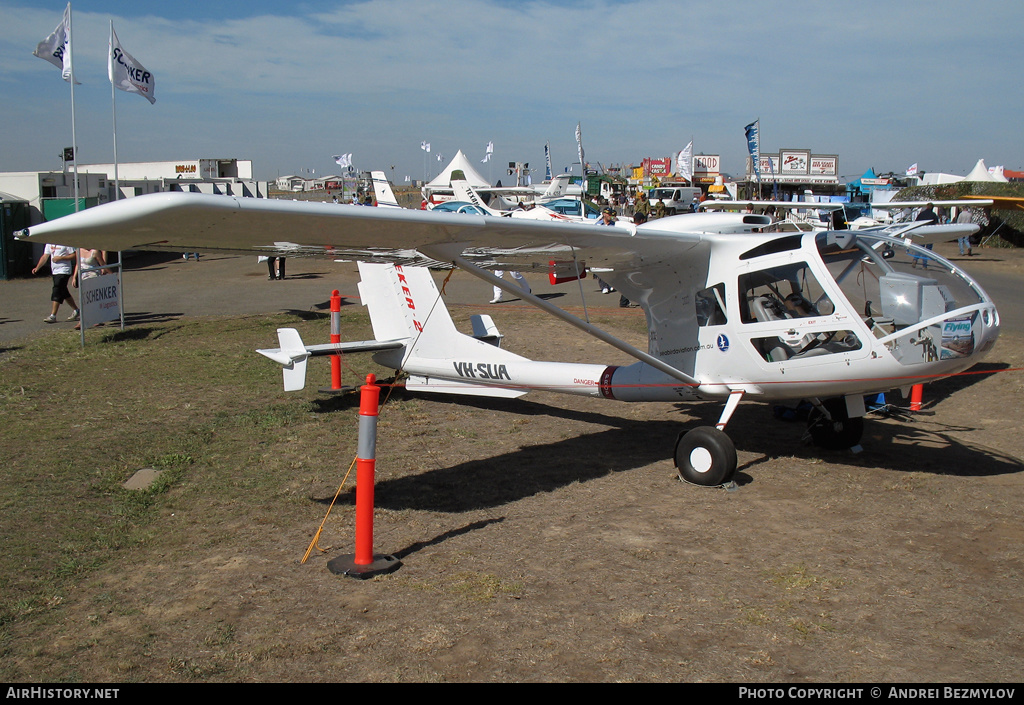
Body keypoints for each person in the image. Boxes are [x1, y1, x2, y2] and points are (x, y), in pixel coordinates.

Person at [32, 243, 79, 323]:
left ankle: (53, 315)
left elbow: (74, 255)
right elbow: (45, 256)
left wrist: (61, 258)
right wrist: (37, 268)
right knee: (63, 291)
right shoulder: (49, 243)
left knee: (57, 289)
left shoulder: (64, 242)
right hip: (55, 271)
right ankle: (76, 310)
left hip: (64, 270)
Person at [595, 207, 617, 294]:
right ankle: (604, 286)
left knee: (610, 268)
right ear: (604, 214)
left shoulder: (613, 225)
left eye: (610, 214)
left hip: (610, 249)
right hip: (601, 250)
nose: (609, 216)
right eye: (608, 214)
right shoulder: (598, 225)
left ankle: (610, 284)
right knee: (602, 268)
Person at [912, 203, 938, 269]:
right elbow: (936, 224)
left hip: (922, 232)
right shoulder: (933, 215)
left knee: (920, 248)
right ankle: (924, 264)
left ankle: (915, 259)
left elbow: (916, 222)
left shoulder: (921, 214)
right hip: (930, 233)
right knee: (927, 250)